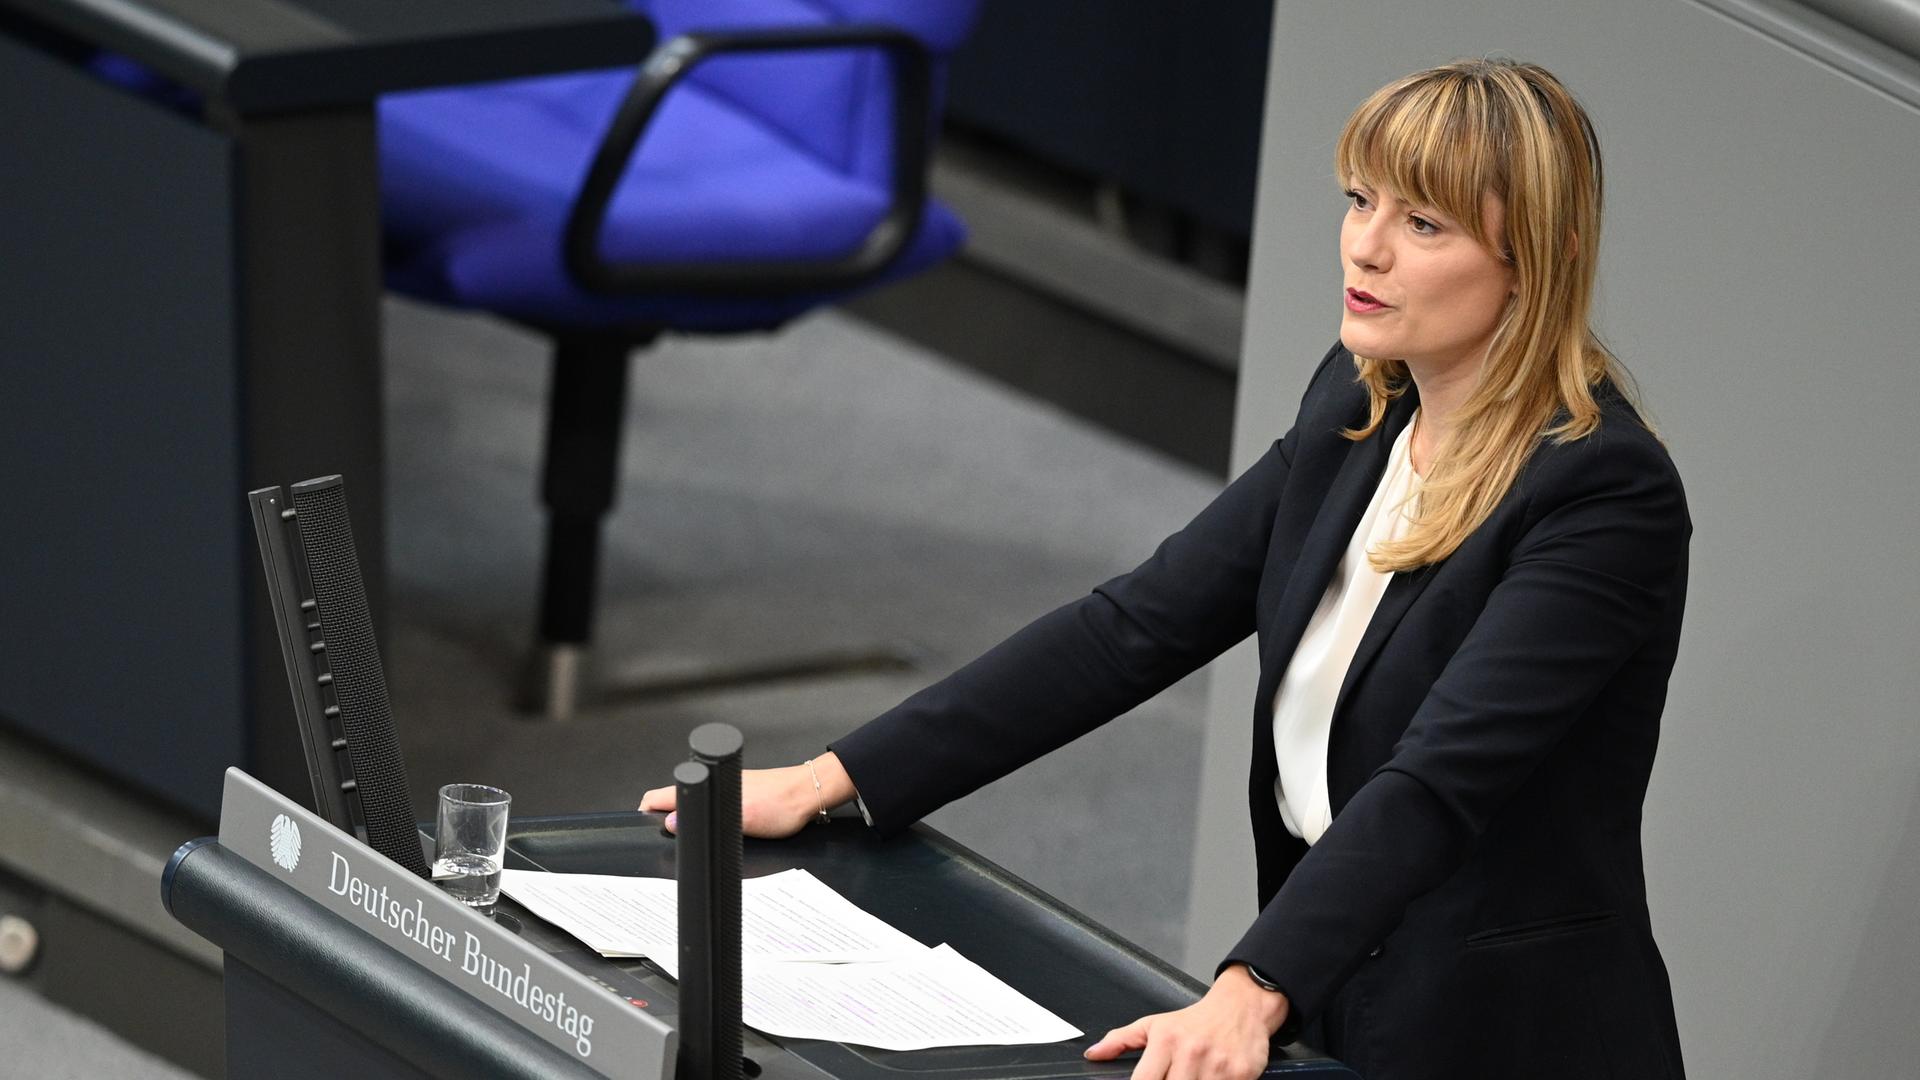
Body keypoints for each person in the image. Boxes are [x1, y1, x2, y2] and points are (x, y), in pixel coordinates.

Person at [640, 57, 1689, 1080]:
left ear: (1536, 256)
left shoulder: (1600, 498)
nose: (1364, 249)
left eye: (1424, 224)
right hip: (1327, 983)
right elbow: (1134, 627)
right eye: (1360, 199)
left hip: (1497, 1031)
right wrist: (834, 781)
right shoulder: (1362, 403)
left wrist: (1251, 984)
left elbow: (1440, 780)